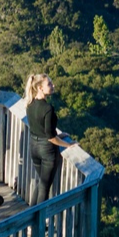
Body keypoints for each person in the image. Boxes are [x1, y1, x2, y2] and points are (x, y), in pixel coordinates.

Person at [25, 73, 78, 204]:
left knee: (41, 182)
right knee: (44, 188)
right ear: (40, 88)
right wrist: (68, 145)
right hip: (47, 150)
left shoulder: (30, 104)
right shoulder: (47, 108)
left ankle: (31, 213)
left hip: (34, 146)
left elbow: (40, 129)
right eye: (49, 84)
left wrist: (59, 136)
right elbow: (50, 137)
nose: (53, 85)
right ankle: (38, 217)